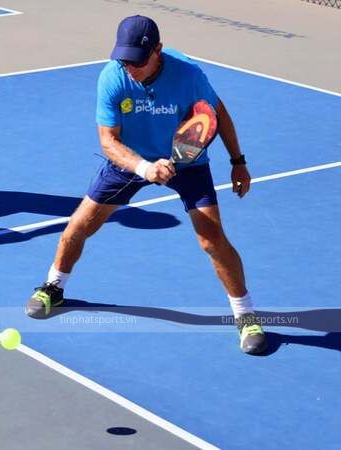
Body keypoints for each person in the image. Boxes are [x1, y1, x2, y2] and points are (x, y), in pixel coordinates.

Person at [25, 15, 267, 354]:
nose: (130, 67)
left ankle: (246, 316)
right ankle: (53, 287)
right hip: (130, 159)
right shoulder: (112, 77)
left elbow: (217, 112)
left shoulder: (189, 75)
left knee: (211, 240)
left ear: (158, 51)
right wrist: (143, 167)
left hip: (188, 162)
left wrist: (238, 161)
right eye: (124, 59)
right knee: (79, 226)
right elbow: (108, 141)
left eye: (137, 60)